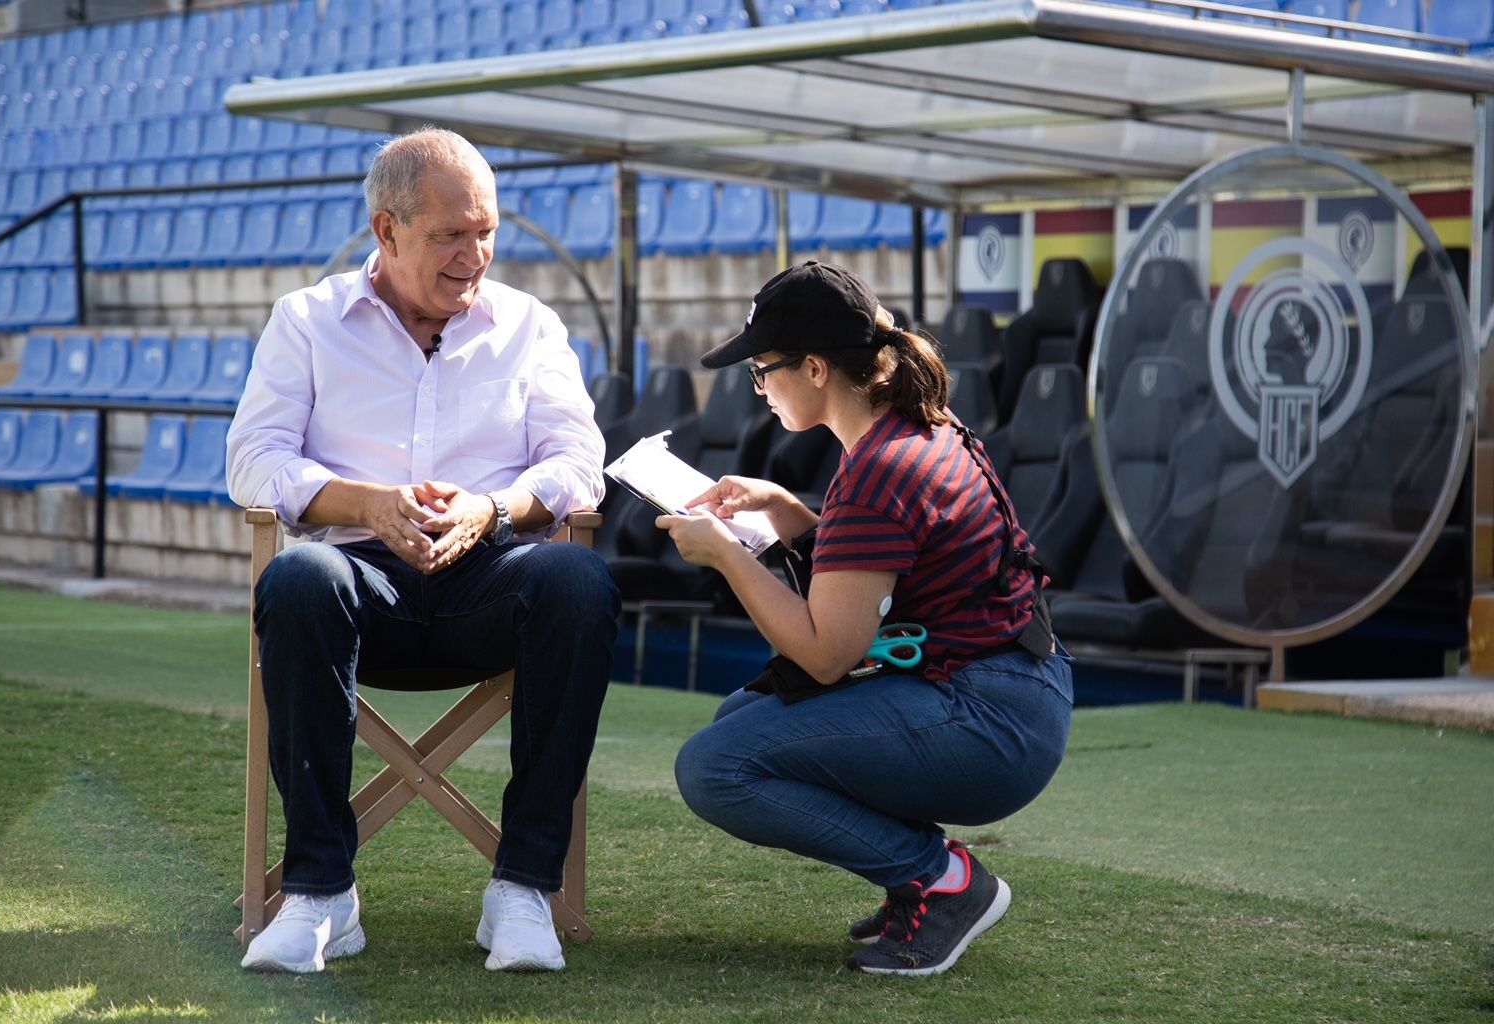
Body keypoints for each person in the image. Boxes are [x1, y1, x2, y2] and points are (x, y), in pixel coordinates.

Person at [227, 128, 619, 975]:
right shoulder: (306, 320)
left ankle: (523, 888)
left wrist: (494, 507)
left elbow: (578, 463)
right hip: (357, 580)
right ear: (387, 228)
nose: (473, 255)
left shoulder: (529, 325)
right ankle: (321, 893)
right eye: (450, 235)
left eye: (486, 230)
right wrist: (362, 501)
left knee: (578, 578)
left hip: (493, 575)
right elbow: (251, 459)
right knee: (300, 574)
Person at [657, 262, 1073, 977]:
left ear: (814, 367)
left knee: (716, 767)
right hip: (1013, 690)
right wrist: (789, 514)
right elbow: (881, 577)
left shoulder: (879, 471)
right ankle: (918, 875)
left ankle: (942, 883)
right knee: (739, 719)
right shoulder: (909, 431)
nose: (758, 387)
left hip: (993, 716)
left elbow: (827, 655)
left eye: (763, 369)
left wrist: (729, 556)